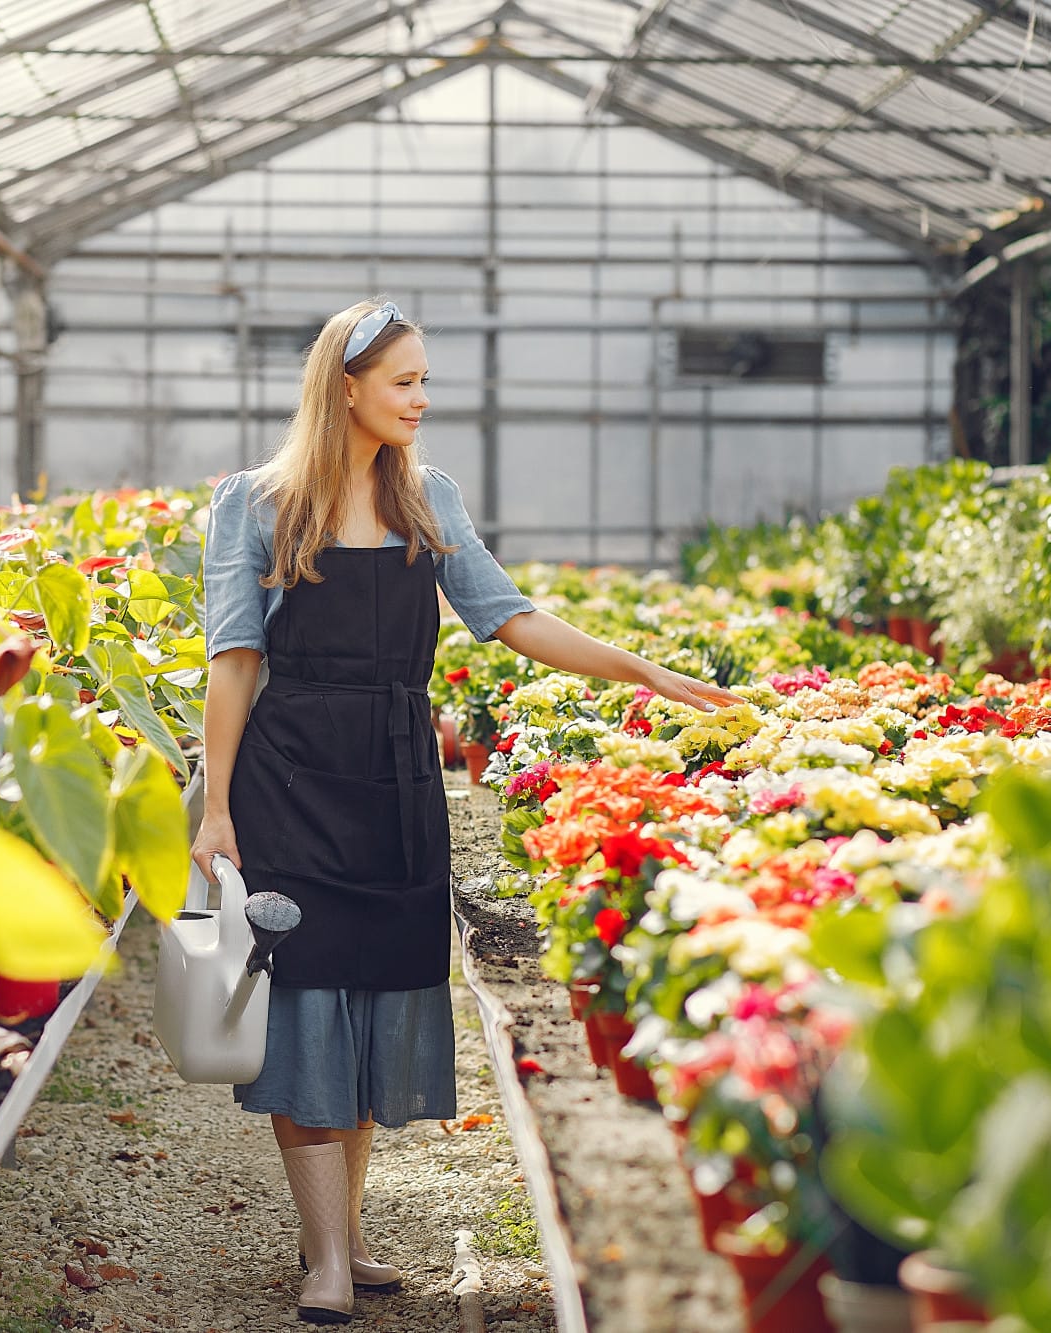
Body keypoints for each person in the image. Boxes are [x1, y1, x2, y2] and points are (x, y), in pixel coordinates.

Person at [192, 298, 743, 1324]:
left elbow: (509, 617)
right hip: (291, 778)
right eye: (402, 380)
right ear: (343, 385)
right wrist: (216, 806)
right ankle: (321, 1256)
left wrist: (640, 670)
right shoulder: (254, 504)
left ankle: (346, 1235)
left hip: (397, 779)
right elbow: (233, 658)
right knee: (309, 1001)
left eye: (422, 379)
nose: (420, 398)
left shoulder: (428, 497)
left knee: (370, 994)